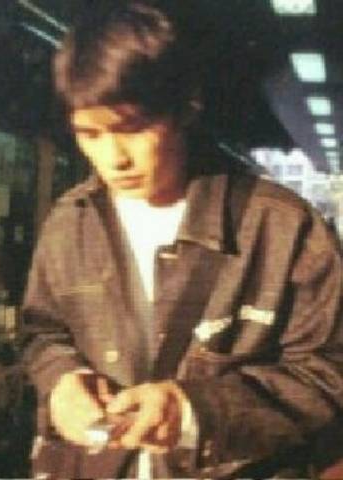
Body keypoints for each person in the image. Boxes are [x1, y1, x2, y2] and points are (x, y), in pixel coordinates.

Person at [20, 1, 343, 478]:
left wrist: (196, 411)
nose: (114, 158)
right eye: (90, 134)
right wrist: (62, 381)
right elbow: (43, 333)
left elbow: (330, 371)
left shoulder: (284, 228)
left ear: (184, 110)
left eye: (132, 129)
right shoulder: (70, 224)